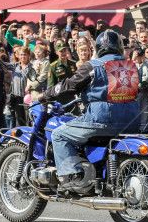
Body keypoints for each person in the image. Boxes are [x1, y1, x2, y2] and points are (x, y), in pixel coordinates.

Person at [39, 31, 140, 192]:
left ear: (99, 48)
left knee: (58, 135)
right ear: (120, 47)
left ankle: (71, 178)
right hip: (132, 122)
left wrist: (46, 94)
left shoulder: (92, 66)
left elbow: (69, 86)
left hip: (101, 120)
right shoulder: (132, 67)